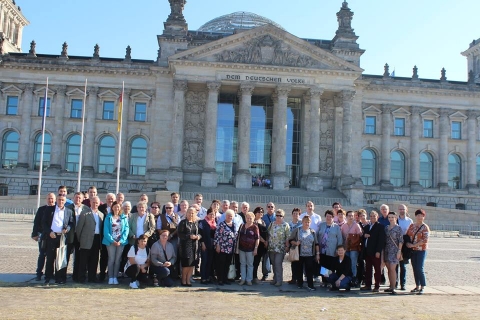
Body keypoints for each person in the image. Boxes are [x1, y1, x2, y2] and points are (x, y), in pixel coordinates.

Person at [42, 195, 74, 285]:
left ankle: (60, 277)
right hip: (52, 236)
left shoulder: (68, 211)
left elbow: (71, 223)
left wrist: (67, 229)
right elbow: (44, 223)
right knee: (50, 258)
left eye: (62, 200)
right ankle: (48, 277)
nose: (61, 201)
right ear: (56, 200)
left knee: (61, 258)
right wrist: (49, 232)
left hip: (62, 237)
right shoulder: (49, 209)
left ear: (65, 201)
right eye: (59, 200)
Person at [76, 196, 104, 283]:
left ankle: (92, 277)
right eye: (93, 202)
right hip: (86, 239)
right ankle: (81, 278)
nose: (95, 204)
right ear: (90, 203)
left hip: (96, 239)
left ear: (99, 203)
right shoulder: (84, 213)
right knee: (83, 260)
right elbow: (79, 228)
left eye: (97, 203)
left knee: (94, 260)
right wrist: (80, 239)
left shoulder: (101, 214)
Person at [289, 215, 319, 291]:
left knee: (309, 270)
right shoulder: (297, 230)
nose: (307, 223)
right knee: (299, 269)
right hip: (300, 254)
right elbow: (290, 240)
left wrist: (317, 253)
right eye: (305, 222)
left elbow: (316, 243)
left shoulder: (312, 232)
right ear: (302, 222)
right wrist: (296, 243)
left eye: (308, 222)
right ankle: (300, 283)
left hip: (310, 254)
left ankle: (310, 285)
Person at [103, 201, 129, 285]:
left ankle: (115, 277)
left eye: (118, 207)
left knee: (118, 260)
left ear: (120, 208)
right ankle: (110, 277)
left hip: (120, 242)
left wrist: (121, 240)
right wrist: (112, 240)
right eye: (115, 207)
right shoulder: (108, 217)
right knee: (111, 259)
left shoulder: (123, 217)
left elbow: (126, 230)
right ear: (112, 208)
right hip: (111, 242)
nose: (116, 208)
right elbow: (106, 231)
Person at [31, 192, 56, 281]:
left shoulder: (57, 209)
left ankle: (50, 273)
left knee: (52, 256)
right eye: (49, 198)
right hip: (42, 235)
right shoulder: (42, 209)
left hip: (53, 236)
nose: (50, 200)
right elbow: (36, 222)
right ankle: (39, 273)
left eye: (52, 198)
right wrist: (34, 234)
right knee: (42, 255)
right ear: (46, 199)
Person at [406, 209, 430, 295]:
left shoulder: (425, 227)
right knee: (415, 268)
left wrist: (414, 245)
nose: (419, 217)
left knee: (420, 268)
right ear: (415, 216)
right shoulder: (412, 226)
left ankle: (422, 286)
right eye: (418, 215)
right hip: (413, 251)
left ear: (424, 217)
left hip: (421, 250)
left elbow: (425, 240)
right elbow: (407, 235)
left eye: (421, 215)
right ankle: (417, 285)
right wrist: (408, 243)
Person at [361, 211, 385, 292]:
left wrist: (378, 251)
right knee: (368, 269)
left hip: (375, 252)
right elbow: (363, 238)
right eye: (371, 216)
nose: (372, 218)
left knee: (377, 270)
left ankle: (377, 285)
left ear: (377, 217)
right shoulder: (367, 227)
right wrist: (364, 236)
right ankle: (368, 285)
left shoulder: (380, 226)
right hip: (367, 251)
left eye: (374, 216)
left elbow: (381, 240)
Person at [266, 208, 291, 287]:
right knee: (273, 264)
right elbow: (268, 234)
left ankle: (279, 280)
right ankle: (275, 279)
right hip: (272, 247)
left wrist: (287, 246)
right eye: (277, 215)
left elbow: (288, 237)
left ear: (283, 217)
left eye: (280, 215)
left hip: (280, 248)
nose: (278, 217)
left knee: (278, 263)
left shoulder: (285, 225)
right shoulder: (272, 224)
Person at [177, 207, 201, 286]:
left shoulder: (196, 223)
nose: (191, 214)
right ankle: (183, 279)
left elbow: (200, 234)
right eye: (189, 212)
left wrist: (198, 237)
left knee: (192, 264)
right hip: (185, 246)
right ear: (186, 213)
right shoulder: (183, 222)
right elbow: (180, 234)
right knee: (186, 264)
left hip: (195, 246)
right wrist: (189, 236)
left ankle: (188, 280)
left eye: (193, 213)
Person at [318, 210, 343, 283]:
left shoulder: (336, 227)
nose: (328, 218)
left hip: (332, 250)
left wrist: (338, 250)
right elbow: (318, 235)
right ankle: (324, 282)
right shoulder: (322, 225)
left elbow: (339, 239)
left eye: (330, 217)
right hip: (322, 250)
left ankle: (330, 282)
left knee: (330, 267)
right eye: (327, 216)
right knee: (323, 267)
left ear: (333, 217)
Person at [71, 192, 91, 282]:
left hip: (82, 236)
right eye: (76, 197)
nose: (78, 199)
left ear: (83, 199)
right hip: (71, 235)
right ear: (73, 198)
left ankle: (79, 275)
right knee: (68, 256)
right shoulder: (68, 208)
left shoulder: (87, 209)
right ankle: (67, 275)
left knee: (80, 257)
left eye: (80, 198)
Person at [214, 209, 237, 285]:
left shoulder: (234, 225)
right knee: (221, 264)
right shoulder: (221, 224)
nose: (229, 217)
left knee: (227, 264)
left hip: (231, 248)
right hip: (222, 247)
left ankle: (225, 279)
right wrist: (217, 245)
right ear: (225, 216)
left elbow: (235, 235)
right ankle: (220, 279)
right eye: (228, 215)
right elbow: (217, 235)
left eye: (231, 216)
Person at [384, 211, 403, 295]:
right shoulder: (386, 227)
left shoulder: (398, 228)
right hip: (387, 250)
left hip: (395, 250)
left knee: (392, 268)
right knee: (389, 269)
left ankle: (393, 287)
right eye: (389, 217)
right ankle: (390, 286)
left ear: (395, 218)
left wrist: (399, 250)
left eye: (392, 217)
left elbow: (401, 241)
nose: (391, 219)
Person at [341, 210, 363, 284]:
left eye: (352, 216)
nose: (351, 217)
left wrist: (353, 237)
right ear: (346, 217)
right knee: (347, 263)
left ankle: (353, 278)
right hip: (346, 247)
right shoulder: (343, 226)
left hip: (354, 247)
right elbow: (342, 237)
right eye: (349, 216)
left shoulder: (356, 225)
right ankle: (347, 278)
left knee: (353, 263)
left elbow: (360, 235)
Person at [237, 212, 259, 286]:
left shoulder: (255, 227)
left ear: (253, 219)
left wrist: (256, 248)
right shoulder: (242, 226)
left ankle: (249, 280)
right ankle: (243, 279)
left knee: (250, 264)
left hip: (251, 249)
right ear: (245, 218)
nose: (249, 219)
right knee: (242, 264)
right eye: (247, 218)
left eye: (250, 218)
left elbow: (257, 239)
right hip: (242, 248)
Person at [98, 193, 116, 281]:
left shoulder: (117, 209)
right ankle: (102, 274)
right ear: (106, 199)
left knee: (113, 257)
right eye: (109, 199)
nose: (110, 200)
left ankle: (111, 274)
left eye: (112, 199)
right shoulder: (101, 208)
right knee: (104, 256)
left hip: (115, 238)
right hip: (104, 237)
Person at [397, 204, 413, 290]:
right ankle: (395, 283)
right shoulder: (395, 220)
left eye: (403, 209)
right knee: (395, 264)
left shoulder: (410, 221)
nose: (402, 210)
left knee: (403, 265)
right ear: (398, 210)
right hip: (396, 242)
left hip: (405, 243)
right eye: (400, 209)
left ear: (406, 210)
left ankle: (403, 284)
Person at [198, 208, 216, 284]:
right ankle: (203, 277)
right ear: (207, 214)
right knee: (204, 261)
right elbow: (200, 232)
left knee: (210, 261)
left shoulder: (215, 223)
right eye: (210, 214)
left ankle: (208, 277)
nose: (212, 216)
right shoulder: (202, 222)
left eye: (213, 214)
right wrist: (202, 243)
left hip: (212, 245)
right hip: (205, 244)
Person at [252, 207, 268, 283]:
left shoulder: (263, 221)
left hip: (262, 245)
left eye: (262, 212)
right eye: (258, 212)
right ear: (255, 213)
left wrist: (266, 242)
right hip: (256, 244)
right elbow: (257, 234)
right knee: (255, 261)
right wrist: (264, 241)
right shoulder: (254, 222)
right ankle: (254, 277)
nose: (260, 213)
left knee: (259, 262)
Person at [287, 207, 302, 284]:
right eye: (294, 213)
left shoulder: (301, 224)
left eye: (297, 213)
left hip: (300, 246)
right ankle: (293, 278)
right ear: (292, 214)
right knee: (293, 262)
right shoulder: (289, 224)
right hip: (292, 245)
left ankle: (299, 278)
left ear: (299, 215)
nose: (295, 215)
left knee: (300, 263)